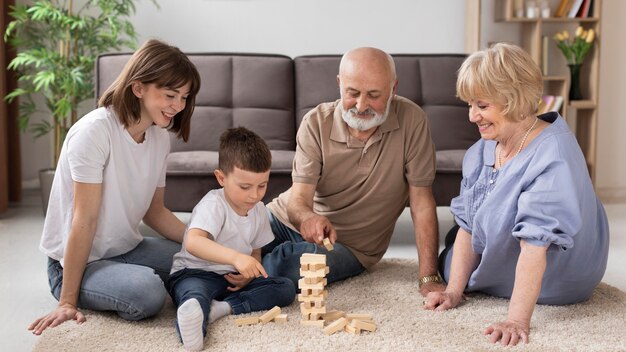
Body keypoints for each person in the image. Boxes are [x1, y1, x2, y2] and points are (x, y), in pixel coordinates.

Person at [424, 43, 610, 346]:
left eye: (482, 106)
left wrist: (516, 319)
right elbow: (470, 225)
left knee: (452, 247)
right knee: (459, 234)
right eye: (469, 105)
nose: (472, 117)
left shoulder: (553, 156)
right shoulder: (484, 148)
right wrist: (454, 292)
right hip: (513, 256)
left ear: (515, 100)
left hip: (558, 277)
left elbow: (536, 247)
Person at [28, 39, 201, 335]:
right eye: (171, 95)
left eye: (184, 97)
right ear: (139, 88)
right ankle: (85, 287)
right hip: (76, 263)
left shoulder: (159, 137)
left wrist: (204, 243)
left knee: (199, 260)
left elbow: (155, 212)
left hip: (127, 248)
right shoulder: (94, 132)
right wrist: (67, 301)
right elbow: (85, 220)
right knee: (147, 293)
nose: (178, 106)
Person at [261, 47, 445, 295]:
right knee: (227, 237)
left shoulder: (413, 121)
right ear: (339, 84)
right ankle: (240, 267)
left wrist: (428, 277)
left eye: (374, 95)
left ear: (393, 88)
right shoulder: (316, 122)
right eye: (353, 93)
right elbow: (298, 201)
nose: (361, 105)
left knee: (286, 266)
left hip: (350, 248)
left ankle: (243, 268)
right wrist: (307, 218)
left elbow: (421, 203)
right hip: (284, 220)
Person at [167, 127, 296, 351]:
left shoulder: (258, 210)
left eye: (262, 185)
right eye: (245, 187)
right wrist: (236, 258)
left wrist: (248, 274)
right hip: (195, 273)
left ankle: (221, 308)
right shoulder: (214, 204)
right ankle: (194, 319)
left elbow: (256, 249)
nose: (254, 195)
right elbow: (194, 242)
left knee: (285, 288)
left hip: (231, 280)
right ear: (221, 178)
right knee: (195, 296)